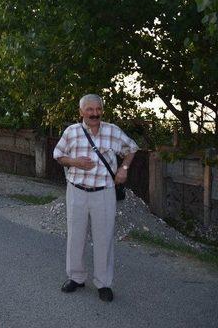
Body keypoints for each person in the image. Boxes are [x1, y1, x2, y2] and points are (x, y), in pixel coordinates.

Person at [53, 94, 138, 302]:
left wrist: (124, 168)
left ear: (102, 110)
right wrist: (74, 162)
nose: (94, 113)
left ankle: (103, 283)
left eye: (97, 109)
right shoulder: (71, 132)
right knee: (76, 236)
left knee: (104, 238)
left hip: (104, 192)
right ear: (81, 112)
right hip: (77, 191)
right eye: (89, 110)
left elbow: (132, 148)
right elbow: (57, 155)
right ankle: (76, 277)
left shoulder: (112, 130)